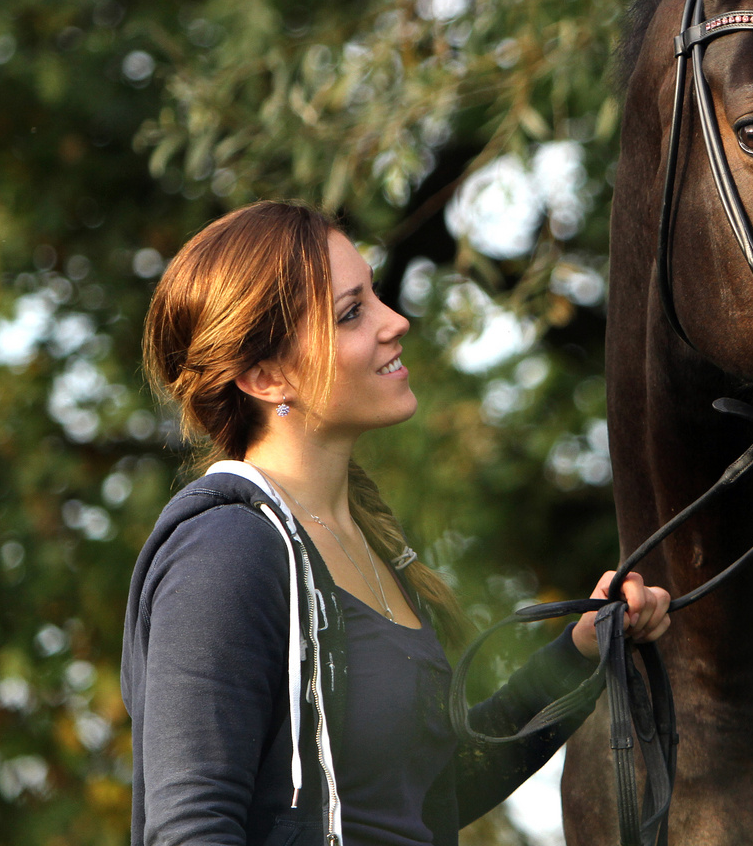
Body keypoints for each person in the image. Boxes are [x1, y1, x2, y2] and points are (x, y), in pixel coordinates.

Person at [120, 200, 669, 846]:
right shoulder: (225, 552)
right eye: (352, 313)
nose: (396, 321)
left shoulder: (368, 545)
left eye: (374, 295)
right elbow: (191, 829)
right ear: (266, 377)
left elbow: (438, 792)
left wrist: (581, 652)